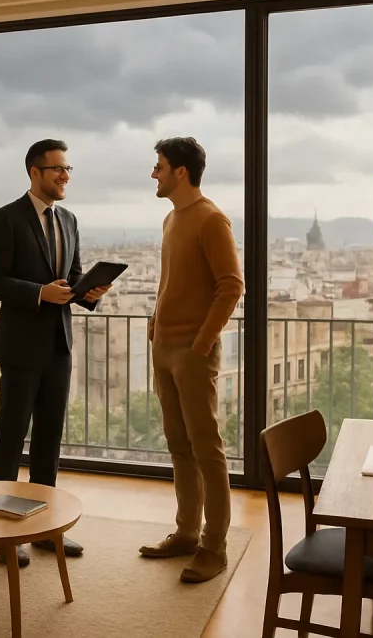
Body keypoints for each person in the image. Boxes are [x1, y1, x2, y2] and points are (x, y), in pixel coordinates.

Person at [0, 139, 111, 568]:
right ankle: (4, 533)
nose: (65, 176)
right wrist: (40, 292)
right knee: (10, 440)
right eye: (57, 169)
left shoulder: (70, 220)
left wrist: (88, 292)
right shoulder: (5, 218)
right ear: (34, 173)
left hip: (59, 345)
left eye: (68, 169)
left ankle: (44, 531)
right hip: (20, 347)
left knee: (48, 442)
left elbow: (71, 278)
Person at [140, 136, 244, 583]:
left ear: (180, 172)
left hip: (193, 353)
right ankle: (185, 533)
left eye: (159, 166)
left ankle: (214, 547)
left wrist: (202, 343)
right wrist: (155, 322)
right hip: (165, 349)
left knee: (207, 451)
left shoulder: (211, 219)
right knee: (179, 447)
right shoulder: (171, 219)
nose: (154, 174)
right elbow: (173, 281)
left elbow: (231, 285)